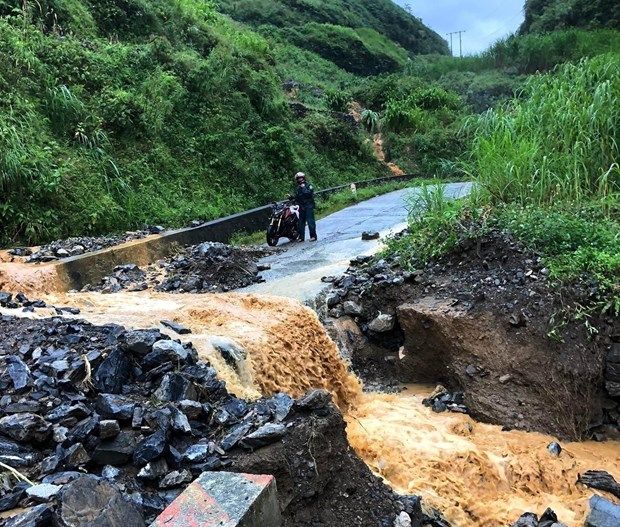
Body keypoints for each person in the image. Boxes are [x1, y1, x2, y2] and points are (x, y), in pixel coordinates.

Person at [294, 172, 317, 242]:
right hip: (301, 207)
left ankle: (313, 236)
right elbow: (297, 198)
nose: (300, 180)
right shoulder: (298, 188)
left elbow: (308, 194)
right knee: (300, 222)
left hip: (309, 206)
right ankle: (301, 237)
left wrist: (303, 187)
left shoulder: (308, 186)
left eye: (301, 178)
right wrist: (292, 198)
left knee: (310, 221)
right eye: (299, 178)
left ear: (304, 178)